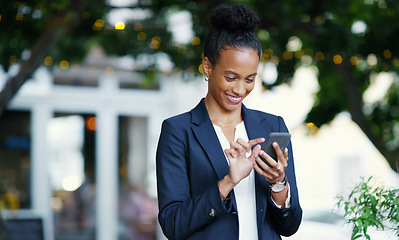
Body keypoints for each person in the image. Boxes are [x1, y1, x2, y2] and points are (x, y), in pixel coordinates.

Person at [156, 4, 302, 240]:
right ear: (207, 67)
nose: (239, 89)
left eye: (250, 79)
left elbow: (290, 226)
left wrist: (278, 184)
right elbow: (173, 225)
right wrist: (228, 182)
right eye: (231, 77)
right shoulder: (178, 131)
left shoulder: (273, 126)